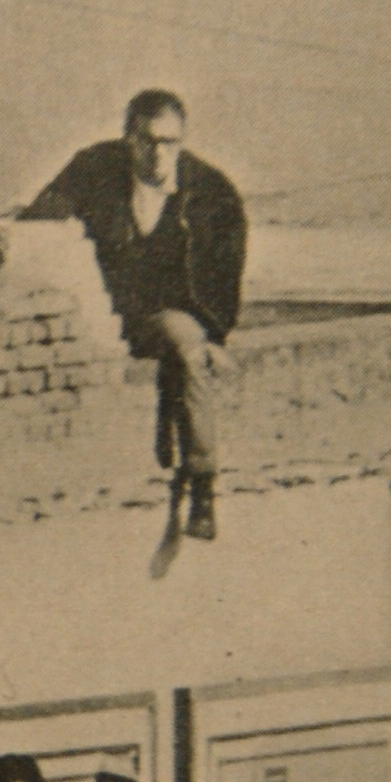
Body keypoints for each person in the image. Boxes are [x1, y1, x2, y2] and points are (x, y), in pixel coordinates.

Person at [19, 90, 248, 540]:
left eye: (170, 142)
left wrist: (214, 335)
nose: (159, 153)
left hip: (167, 311)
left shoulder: (209, 190)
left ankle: (202, 483)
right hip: (104, 308)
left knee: (185, 347)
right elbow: (43, 215)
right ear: (129, 139)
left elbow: (226, 270)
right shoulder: (97, 167)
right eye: (148, 141)